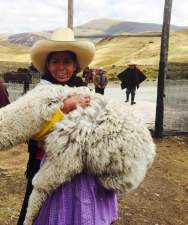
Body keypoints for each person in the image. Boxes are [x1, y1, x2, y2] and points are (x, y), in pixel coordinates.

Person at [17, 28, 118, 225]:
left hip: (82, 170)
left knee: (79, 212)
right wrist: (65, 107)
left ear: (75, 65)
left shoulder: (83, 89)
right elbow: (32, 129)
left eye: (67, 62)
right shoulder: (40, 93)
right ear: (47, 65)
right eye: (56, 61)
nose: (61, 67)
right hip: (47, 165)